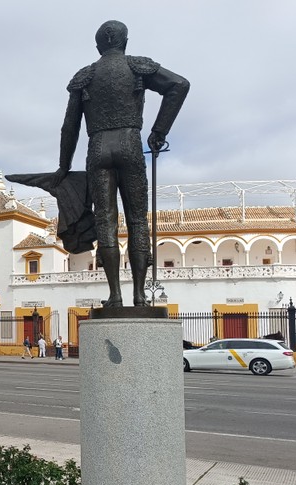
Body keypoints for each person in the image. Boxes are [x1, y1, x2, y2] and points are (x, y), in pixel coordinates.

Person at [52, 20, 189, 307]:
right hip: (129, 144)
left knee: (105, 220)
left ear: (98, 47)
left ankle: (115, 295)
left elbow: (69, 127)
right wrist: (159, 131)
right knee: (137, 219)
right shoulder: (136, 66)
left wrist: (64, 166)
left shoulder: (85, 76)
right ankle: (139, 296)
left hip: (98, 148)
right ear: (125, 42)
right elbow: (179, 85)